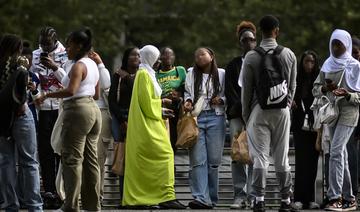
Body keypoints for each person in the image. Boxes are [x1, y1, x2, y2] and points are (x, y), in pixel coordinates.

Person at [38, 28, 102, 212]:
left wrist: (46, 95)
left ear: (80, 46)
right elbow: (96, 94)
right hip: (93, 110)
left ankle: (71, 206)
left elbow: (71, 91)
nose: (66, 48)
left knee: (72, 160)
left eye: (70, 44)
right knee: (91, 162)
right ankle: (92, 206)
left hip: (77, 111)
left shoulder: (78, 66)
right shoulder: (92, 64)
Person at [241, 15, 297, 212]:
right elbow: (292, 85)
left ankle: (259, 199)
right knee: (281, 157)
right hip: (281, 109)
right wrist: (286, 104)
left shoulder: (251, 56)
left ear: (259, 31)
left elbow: (246, 90)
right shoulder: (288, 54)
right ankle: (285, 200)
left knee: (260, 158)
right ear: (277, 31)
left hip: (259, 110)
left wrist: (246, 114)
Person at [122, 45, 185, 209]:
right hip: (147, 126)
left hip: (151, 122)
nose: (159, 61)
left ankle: (162, 196)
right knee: (166, 155)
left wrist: (161, 108)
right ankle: (162, 197)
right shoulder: (143, 75)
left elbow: (147, 101)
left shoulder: (147, 73)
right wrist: (160, 108)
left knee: (156, 160)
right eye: (156, 58)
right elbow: (147, 104)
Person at [313, 29, 360, 211]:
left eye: (339, 44)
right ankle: (350, 198)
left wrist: (347, 94)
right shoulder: (327, 65)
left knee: (335, 151)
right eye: (333, 43)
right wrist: (325, 89)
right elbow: (315, 89)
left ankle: (335, 197)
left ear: (346, 45)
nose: (335, 47)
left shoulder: (355, 66)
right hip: (332, 112)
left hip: (349, 111)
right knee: (341, 155)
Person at [0, 34, 43, 211]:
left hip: (2, 117)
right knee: (29, 162)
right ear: (18, 48)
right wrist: (21, 101)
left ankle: (11, 204)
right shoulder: (21, 61)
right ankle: (34, 206)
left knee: (6, 162)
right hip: (21, 114)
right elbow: (22, 83)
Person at [30, 26, 67, 208]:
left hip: (61, 107)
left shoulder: (66, 53)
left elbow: (69, 80)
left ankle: (62, 192)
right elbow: (32, 78)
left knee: (59, 149)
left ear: (55, 41)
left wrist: (54, 67)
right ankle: (50, 191)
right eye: (42, 44)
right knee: (45, 150)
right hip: (43, 107)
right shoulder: (35, 54)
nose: (44, 47)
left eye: (48, 44)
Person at [184, 47, 226, 209]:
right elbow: (188, 92)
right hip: (196, 118)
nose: (199, 57)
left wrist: (221, 100)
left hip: (216, 117)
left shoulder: (222, 74)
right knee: (198, 160)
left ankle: (212, 199)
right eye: (196, 55)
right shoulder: (191, 73)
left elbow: (230, 93)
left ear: (211, 56)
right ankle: (201, 198)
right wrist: (187, 101)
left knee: (214, 161)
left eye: (202, 54)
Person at [226, 20, 256, 209]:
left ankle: (254, 195)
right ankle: (239, 195)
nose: (248, 43)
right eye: (245, 40)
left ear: (256, 41)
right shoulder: (233, 65)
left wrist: (252, 109)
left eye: (252, 40)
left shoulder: (261, 62)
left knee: (254, 155)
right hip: (237, 115)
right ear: (240, 42)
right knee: (237, 155)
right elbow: (230, 91)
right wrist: (241, 109)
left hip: (256, 115)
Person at [108, 47, 140, 202]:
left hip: (138, 118)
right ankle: (124, 198)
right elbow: (112, 101)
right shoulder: (117, 75)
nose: (136, 57)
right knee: (122, 157)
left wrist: (130, 78)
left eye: (139, 55)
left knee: (137, 157)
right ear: (126, 57)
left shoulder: (143, 75)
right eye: (133, 54)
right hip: (120, 117)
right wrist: (122, 121)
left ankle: (137, 196)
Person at [291, 50, 320, 209]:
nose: (309, 65)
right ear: (302, 63)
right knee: (301, 161)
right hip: (299, 125)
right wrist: (293, 103)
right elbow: (289, 97)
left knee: (313, 162)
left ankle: (310, 199)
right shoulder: (296, 80)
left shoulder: (319, 80)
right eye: (306, 61)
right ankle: (298, 198)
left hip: (315, 126)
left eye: (312, 62)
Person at [88, 50, 112, 204]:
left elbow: (107, 84)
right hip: (81, 108)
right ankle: (77, 196)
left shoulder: (99, 68)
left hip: (101, 112)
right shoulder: (73, 64)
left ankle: (97, 196)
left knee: (99, 157)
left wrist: (100, 64)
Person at [156, 47, 186, 152]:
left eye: (170, 54)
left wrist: (179, 95)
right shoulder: (156, 74)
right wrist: (164, 98)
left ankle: (172, 164)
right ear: (159, 58)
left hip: (176, 109)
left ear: (174, 57)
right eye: (164, 54)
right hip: (161, 107)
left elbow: (187, 89)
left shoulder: (180, 70)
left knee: (173, 138)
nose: (168, 57)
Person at [346, 37, 360, 201]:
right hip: (350, 117)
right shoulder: (348, 67)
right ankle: (353, 191)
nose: (354, 56)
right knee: (351, 154)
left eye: (356, 53)